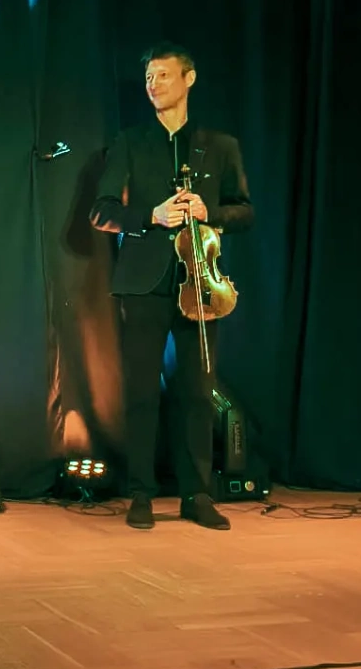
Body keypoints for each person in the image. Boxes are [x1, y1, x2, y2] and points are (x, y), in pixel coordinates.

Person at [91, 44, 253, 532]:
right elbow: (101, 212)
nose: (153, 84)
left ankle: (196, 494)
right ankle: (140, 492)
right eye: (148, 77)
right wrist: (151, 215)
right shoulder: (129, 142)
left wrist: (210, 212)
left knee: (198, 393)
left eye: (163, 75)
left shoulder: (219, 146)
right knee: (142, 392)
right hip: (143, 283)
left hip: (201, 283)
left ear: (189, 79)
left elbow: (245, 211)